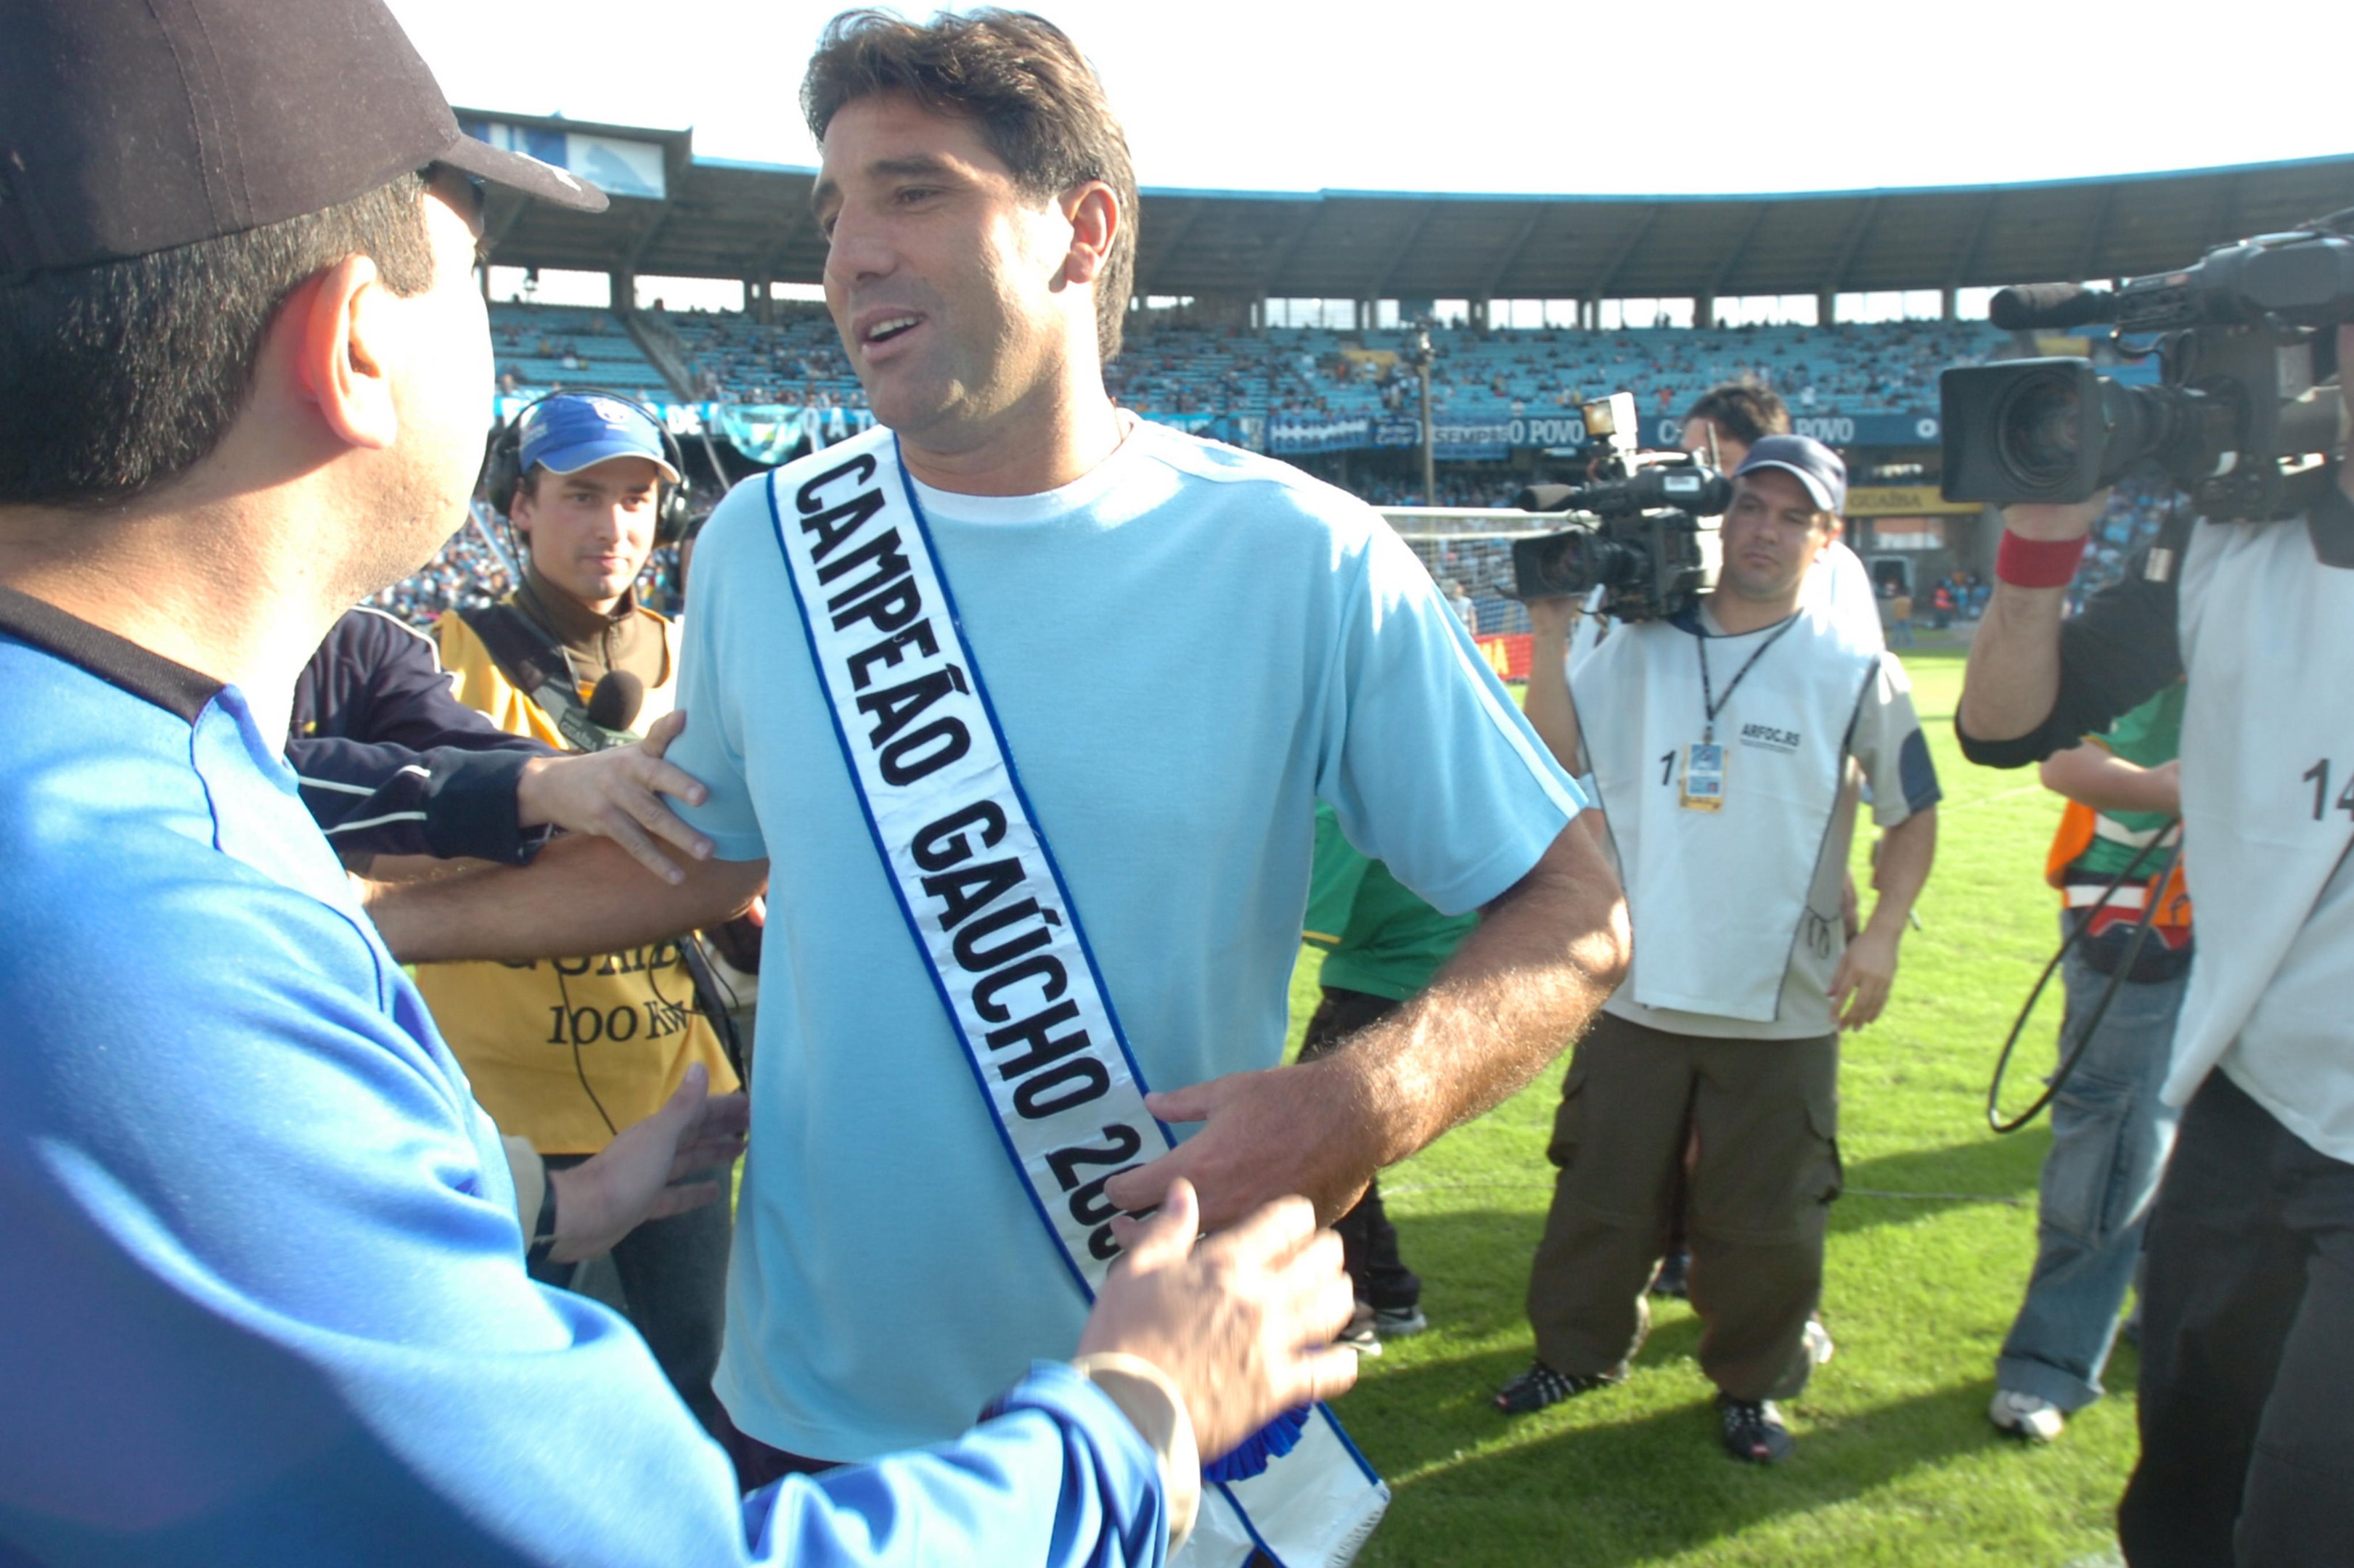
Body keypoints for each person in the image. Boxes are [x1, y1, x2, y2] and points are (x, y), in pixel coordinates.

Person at [0, 1, 1356, 1561]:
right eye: (482, 253)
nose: (847, 254)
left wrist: (555, 1207)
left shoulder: (107, 804)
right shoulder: (149, 938)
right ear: (354, 345)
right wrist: (1139, 1411)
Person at [369, 9, 1631, 1551]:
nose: (848, 256)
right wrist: (363, 928)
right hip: (805, 1406)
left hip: (1163, 1410)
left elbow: (1579, 905)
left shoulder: (1298, 556)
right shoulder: (769, 543)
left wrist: (1358, 1102)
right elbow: (700, 862)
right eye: (834, 210)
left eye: (913, 192)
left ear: (1080, 230)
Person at [1954, 369, 2354, 1564]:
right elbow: (2003, 724)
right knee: (2183, 1480)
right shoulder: (2240, 546)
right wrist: (2036, 546)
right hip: (2245, 1098)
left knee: (2303, 1513)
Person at [1500, 435, 1940, 1463]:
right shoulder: (1638, 643)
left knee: (1765, 1224)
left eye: (1793, 517)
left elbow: (1910, 812)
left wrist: (1879, 935)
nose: (1766, 531)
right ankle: (1576, 1351)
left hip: (1780, 1002)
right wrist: (1553, 628)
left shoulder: (1851, 668)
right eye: (1751, 508)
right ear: (1722, 517)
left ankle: (1751, 1381)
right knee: (1598, 1200)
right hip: (1630, 989)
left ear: (1825, 538)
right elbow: (1550, 752)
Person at [401, 391, 744, 1436]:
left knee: (699, 1379)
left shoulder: (705, 651)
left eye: (637, 499)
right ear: (518, 508)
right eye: (582, 496)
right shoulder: (430, 658)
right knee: (519, 1410)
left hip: (673, 1093)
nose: (614, 528)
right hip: (503, 1108)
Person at [1988, 686, 2190, 1444]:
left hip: (2282, 919)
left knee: (2233, 1132)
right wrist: (2164, 789)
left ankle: (2172, 1308)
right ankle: (2051, 1358)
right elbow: (2063, 760)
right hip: (2146, 908)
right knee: (2113, 1132)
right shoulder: (2171, 605)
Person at [1301, 801, 1476, 1353]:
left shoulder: (1344, 806)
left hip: (1382, 986)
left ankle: (1348, 1311)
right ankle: (1392, 1292)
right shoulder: (1415, 787)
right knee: (1345, 1150)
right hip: (1429, 978)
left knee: (1315, 1152)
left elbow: (1311, 920)